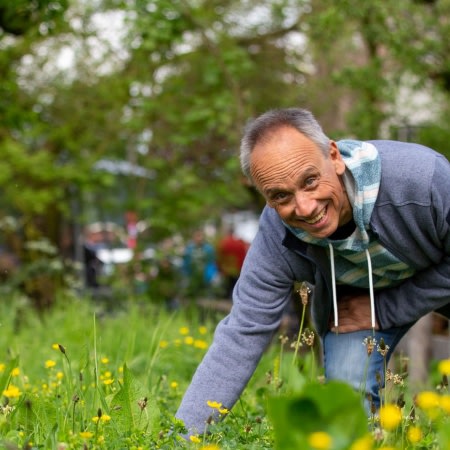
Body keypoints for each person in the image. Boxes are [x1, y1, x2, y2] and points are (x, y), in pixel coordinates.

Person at [175, 107, 450, 435]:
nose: (305, 208)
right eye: (280, 196)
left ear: (333, 156)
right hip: (353, 301)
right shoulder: (275, 238)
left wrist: (388, 309)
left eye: (309, 181)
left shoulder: (422, 180)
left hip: (438, 273)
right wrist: (181, 439)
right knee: (345, 409)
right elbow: (243, 331)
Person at [182, 229, 218, 299]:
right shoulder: (189, 249)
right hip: (192, 277)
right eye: (197, 236)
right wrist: (186, 274)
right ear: (193, 237)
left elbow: (212, 263)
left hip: (206, 277)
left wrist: (210, 275)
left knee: (206, 295)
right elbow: (186, 263)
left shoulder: (209, 249)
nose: (199, 238)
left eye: (200, 236)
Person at [216, 226, 248, 299]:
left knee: (227, 286)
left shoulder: (222, 243)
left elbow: (219, 257)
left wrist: (219, 267)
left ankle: (225, 298)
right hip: (236, 269)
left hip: (226, 269)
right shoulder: (239, 243)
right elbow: (243, 256)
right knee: (234, 285)